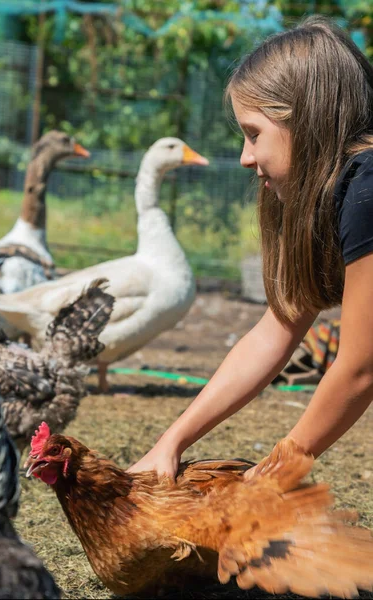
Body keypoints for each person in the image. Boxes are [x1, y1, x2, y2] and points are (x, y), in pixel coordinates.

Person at [128, 16, 373, 478]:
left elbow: (361, 367)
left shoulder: (367, 191)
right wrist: (171, 442)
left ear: (304, 120)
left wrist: (272, 476)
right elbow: (275, 330)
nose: (244, 156)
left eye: (254, 133)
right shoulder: (334, 195)